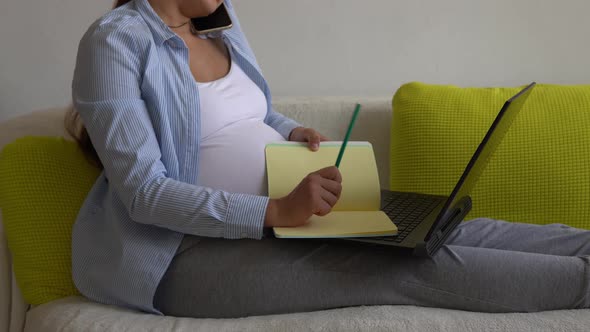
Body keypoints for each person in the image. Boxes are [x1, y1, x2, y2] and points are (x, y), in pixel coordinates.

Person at [66, 0, 590, 318]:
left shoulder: (219, 23)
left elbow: (250, 114)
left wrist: (290, 131)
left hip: (287, 217)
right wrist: (273, 212)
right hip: (182, 257)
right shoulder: (115, 43)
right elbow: (143, 193)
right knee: (388, 267)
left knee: (433, 226)